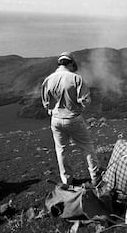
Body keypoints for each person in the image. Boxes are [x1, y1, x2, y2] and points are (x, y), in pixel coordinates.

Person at [41, 52, 100, 186]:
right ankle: (95, 176)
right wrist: (79, 109)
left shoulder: (48, 80)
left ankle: (67, 180)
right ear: (71, 63)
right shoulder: (76, 78)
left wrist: (53, 109)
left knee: (61, 149)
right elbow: (85, 100)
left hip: (56, 119)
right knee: (87, 147)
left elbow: (46, 104)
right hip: (73, 118)